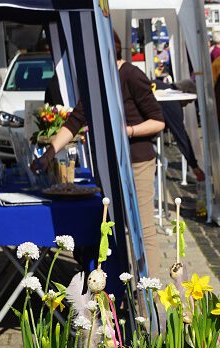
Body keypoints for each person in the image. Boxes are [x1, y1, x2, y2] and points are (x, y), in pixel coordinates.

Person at [33, 31, 165, 265]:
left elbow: (158, 121)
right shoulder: (96, 80)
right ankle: (119, 290)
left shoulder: (131, 75)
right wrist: (49, 153)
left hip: (137, 162)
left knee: (143, 231)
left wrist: (128, 131)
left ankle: (152, 296)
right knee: (111, 229)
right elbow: (75, 121)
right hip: (107, 165)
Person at [156, 79, 205, 182]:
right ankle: (153, 197)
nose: (186, 105)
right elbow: (181, 136)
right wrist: (194, 165)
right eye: (188, 101)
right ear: (184, 94)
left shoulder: (160, 85)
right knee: (161, 164)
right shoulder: (171, 102)